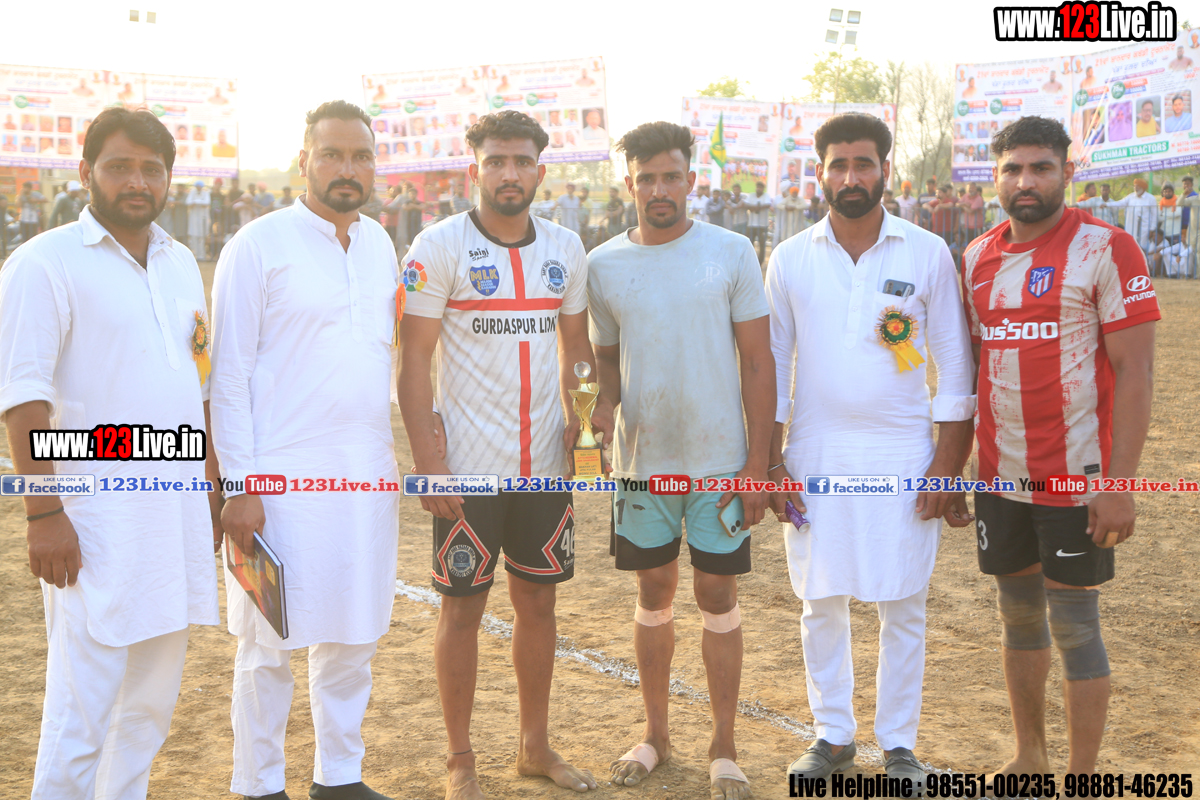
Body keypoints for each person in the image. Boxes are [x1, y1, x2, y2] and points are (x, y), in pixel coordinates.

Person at [0, 106, 221, 800]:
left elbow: (198, 383)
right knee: (81, 710)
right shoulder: (44, 262)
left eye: (151, 169)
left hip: (174, 515)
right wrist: (44, 514)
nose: (137, 182)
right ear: (86, 172)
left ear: (169, 179)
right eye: (120, 166)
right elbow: (23, 396)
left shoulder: (180, 262)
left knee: (149, 707)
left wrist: (212, 487)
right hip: (92, 519)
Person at [396, 109, 598, 800]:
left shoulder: (565, 248)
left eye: (521, 162)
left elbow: (578, 352)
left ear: (540, 170)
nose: (509, 173)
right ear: (473, 169)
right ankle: (461, 761)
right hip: (467, 471)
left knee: (538, 605)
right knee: (461, 610)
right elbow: (413, 363)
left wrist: (585, 420)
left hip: (544, 470)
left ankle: (534, 748)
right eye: (495, 161)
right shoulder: (438, 246)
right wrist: (430, 464)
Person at [769, 112, 974, 784]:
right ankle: (832, 736)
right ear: (820, 173)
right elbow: (772, 365)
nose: (851, 177)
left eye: (864, 164)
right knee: (819, 600)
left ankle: (899, 746)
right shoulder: (790, 257)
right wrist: (772, 462)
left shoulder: (926, 252)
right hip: (815, 454)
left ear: (886, 170)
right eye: (839, 164)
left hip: (903, 455)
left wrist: (946, 466)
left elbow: (953, 363)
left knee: (904, 603)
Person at [211, 100, 401, 800]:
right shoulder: (257, 244)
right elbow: (228, 376)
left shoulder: (381, 245)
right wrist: (240, 484)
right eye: (332, 155)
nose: (347, 169)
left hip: (364, 475)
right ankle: (258, 784)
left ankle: (338, 778)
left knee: (354, 633)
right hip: (278, 483)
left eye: (361, 156)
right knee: (267, 644)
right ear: (304, 161)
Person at [962, 114, 1159, 777]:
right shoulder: (975, 258)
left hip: (1077, 478)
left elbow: (1135, 372)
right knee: (1018, 617)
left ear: (1067, 172)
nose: (1026, 181)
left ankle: (1081, 775)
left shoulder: (1107, 248)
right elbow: (977, 367)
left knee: (1075, 624)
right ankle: (1029, 758)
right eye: (1013, 169)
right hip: (1001, 477)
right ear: (995, 178)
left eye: (1041, 168)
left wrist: (1118, 483)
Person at [588, 120, 772, 800]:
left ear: (691, 179)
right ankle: (656, 734)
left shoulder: (731, 252)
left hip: (721, 465)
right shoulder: (603, 264)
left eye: (671, 176)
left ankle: (724, 744)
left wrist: (759, 465)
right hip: (642, 466)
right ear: (629, 184)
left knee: (717, 594)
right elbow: (605, 365)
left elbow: (758, 363)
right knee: (653, 591)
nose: (659, 189)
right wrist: (601, 407)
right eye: (647, 179)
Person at [1116, 178, 1158, 252]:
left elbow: (1154, 215)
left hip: (1145, 228)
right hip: (1132, 227)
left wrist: (1152, 229)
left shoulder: (1150, 198)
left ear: (1143, 187)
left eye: (1138, 186)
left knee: (1143, 246)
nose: (1136, 188)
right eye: (1135, 186)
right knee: (1131, 245)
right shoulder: (1130, 197)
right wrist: (1107, 204)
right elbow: (1120, 203)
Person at [744, 181, 771, 264]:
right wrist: (755, 207)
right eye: (758, 187)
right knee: (749, 244)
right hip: (751, 224)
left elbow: (767, 205)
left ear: (763, 189)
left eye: (760, 187)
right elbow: (746, 205)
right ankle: (749, 262)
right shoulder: (751, 195)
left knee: (762, 245)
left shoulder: (766, 196)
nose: (759, 189)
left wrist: (757, 208)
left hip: (762, 225)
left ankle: (760, 263)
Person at [186, 180, 211, 259]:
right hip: (193, 218)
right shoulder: (192, 192)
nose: (198, 188)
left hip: (202, 218)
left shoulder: (205, 193)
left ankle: (202, 255)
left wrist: (195, 202)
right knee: (194, 237)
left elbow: (207, 202)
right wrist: (199, 202)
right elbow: (188, 202)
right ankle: (196, 254)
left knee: (202, 237)